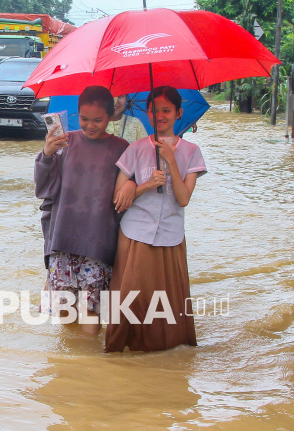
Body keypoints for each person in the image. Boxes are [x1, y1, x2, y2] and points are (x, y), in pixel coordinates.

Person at [105, 86, 207, 352]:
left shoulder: (191, 151)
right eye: (154, 110)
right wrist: (145, 185)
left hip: (171, 236)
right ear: (147, 113)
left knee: (167, 307)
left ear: (178, 113)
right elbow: (118, 197)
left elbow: (183, 199)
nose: (159, 115)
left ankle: (166, 357)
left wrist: (171, 161)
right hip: (135, 235)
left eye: (166, 110)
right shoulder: (135, 149)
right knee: (130, 300)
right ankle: (120, 354)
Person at [34, 86, 129, 334]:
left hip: (98, 242)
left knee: (91, 312)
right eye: (84, 119)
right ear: (77, 115)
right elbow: (45, 188)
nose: (90, 125)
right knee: (65, 312)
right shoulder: (65, 142)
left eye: (98, 120)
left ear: (111, 116)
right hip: (63, 239)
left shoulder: (122, 148)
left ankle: (90, 365)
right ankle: (73, 369)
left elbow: (125, 197)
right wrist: (47, 154)